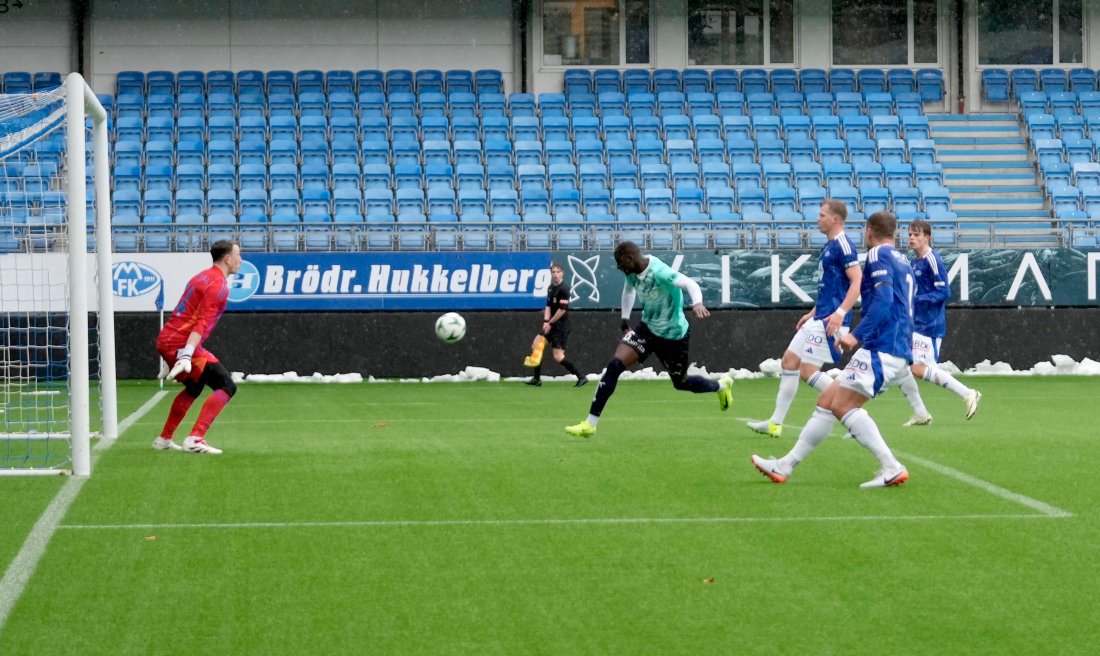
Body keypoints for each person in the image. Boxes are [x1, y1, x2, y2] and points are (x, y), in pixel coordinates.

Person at [751, 211, 913, 488]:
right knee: (827, 402)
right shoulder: (903, 259)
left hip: (882, 347)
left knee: (840, 405)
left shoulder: (877, 255)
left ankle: (891, 466)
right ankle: (785, 466)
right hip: (895, 345)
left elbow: (884, 300)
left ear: (870, 231)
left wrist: (856, 335)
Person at [564, 241, 733, 437]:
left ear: (629, 257)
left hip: (673, 335)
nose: (619, 268)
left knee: (681, 383)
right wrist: (625, 318)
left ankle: (722, 386)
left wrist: (697, 303)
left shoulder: (659, 271)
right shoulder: (632, 273)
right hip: (647, 329)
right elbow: (628, 291)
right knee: (614, 365)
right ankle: (590, 423)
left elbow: (689, 283)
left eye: (620, 263)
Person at [747, 199, 862, 438]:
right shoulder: (829, 245)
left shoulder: (843, 245)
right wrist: (812, 312)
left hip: (830, 321)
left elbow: (857, 282)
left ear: (835, 219)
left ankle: (854, 412)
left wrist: (839, 314)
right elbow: (831, 287)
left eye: (821, 215)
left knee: (808, 372)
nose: (817, 219)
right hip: (819, 316)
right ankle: (775, 423)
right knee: (789, 362)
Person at [151, 240, 241, 455]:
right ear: (228, 259)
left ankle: (164, 439)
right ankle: (195, 438)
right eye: (238, 255)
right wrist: (185, 355)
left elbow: (183, 313)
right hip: (181, 344)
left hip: (169, 339)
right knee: (227, 386)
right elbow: (201, 322)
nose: (241, 260)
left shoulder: (201, 276)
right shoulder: (218, 285)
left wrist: (169, 354)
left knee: (194, 387)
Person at [893, 219, 981, 426]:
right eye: (910, 234)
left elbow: (943, 292)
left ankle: (968, 393)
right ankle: (921, 413)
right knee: (900, 367)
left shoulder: (933, 260)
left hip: (929, 326)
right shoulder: (914, 262)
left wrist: (916, 300)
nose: (912, 238)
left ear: (927, 237)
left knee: (917, 369)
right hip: (915, 324)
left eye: (916, 234)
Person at [526, 262, 587, 387]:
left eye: (558, 272)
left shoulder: (564, 289)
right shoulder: (550, 288)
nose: (555, 274)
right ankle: (536, 379)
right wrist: (545, 322)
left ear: (562, 273)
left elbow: (562, 310)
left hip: (561, 327)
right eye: (553, 272)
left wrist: (550, 323)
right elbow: (548, 306)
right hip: (551, 324)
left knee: (558, 356)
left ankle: (581, 376)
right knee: (536, 345)